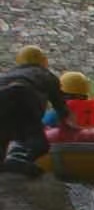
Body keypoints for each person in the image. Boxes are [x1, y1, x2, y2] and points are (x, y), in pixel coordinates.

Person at [0, 45, 69, 176]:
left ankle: (10, 166)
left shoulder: (7, 74)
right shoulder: (45, 74)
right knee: (39, 145)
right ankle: (20, 161)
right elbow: (60, 106)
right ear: (43, 62)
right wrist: (68, 124)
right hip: (23, 97)